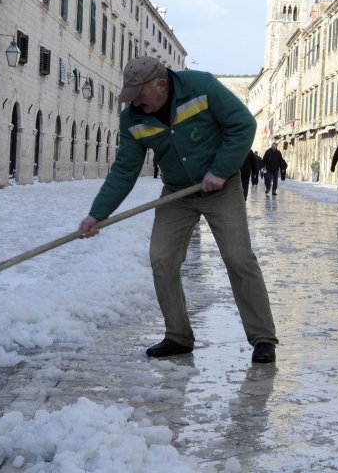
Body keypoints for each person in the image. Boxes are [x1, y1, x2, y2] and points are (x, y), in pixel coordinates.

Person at [78, 56, 279, 363]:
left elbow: (243, 125)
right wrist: (98, 214)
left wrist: (221, 169)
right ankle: (178, 336)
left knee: (239, 257)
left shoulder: (202, 87)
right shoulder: (133, 118)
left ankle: (263, 338)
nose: (135, 103)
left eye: (139, 95)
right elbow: (124, 170)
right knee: (162, 258)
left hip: (220, 188)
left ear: (160, 85)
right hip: (176, 194)